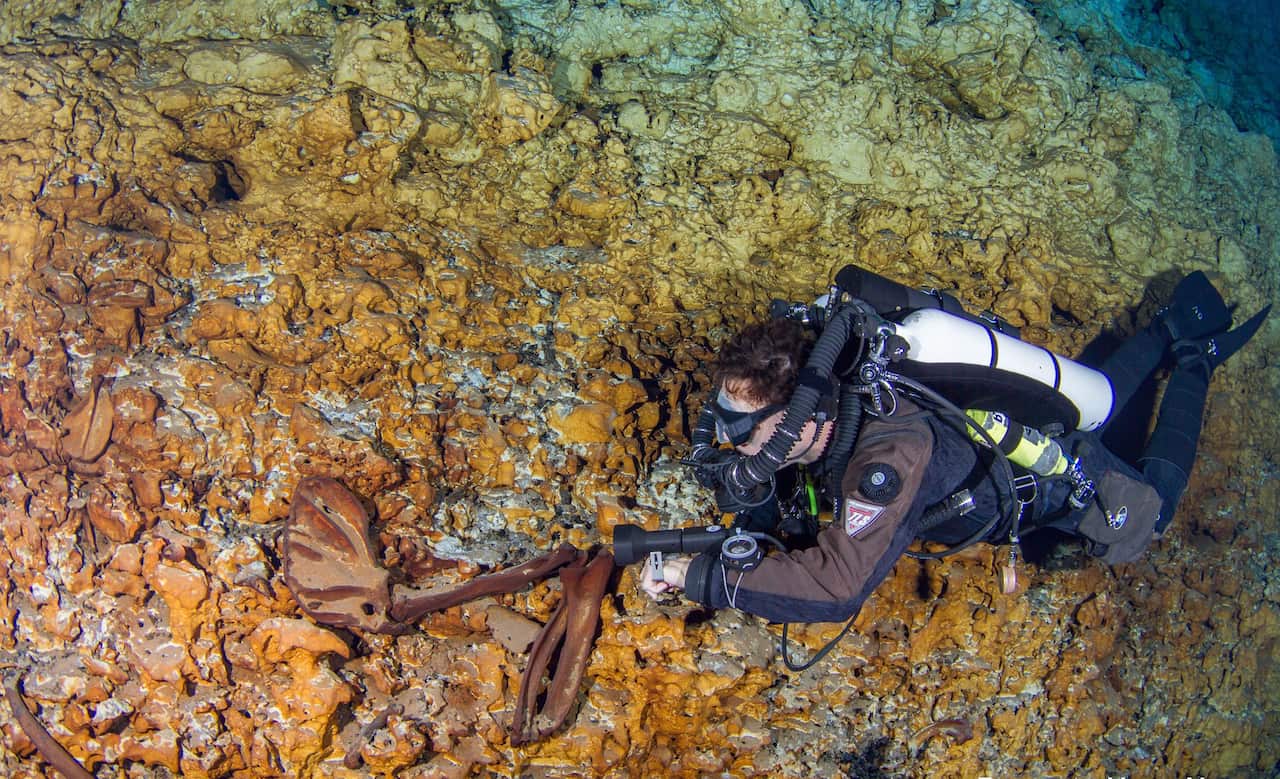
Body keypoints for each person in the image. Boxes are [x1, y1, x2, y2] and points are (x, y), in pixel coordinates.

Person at [639, 270, 1270, 637]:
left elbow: (834, 588)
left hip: (1052, 482)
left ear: (806, 418)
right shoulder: (824, 394)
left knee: (1148, 513)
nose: (730, 443)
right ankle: (1165, 326)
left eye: (746, 431)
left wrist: (698, 577)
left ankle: (1195, 359)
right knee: (1091, 398)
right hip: (1004, 431)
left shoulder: (887, 459)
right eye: (724, 420)